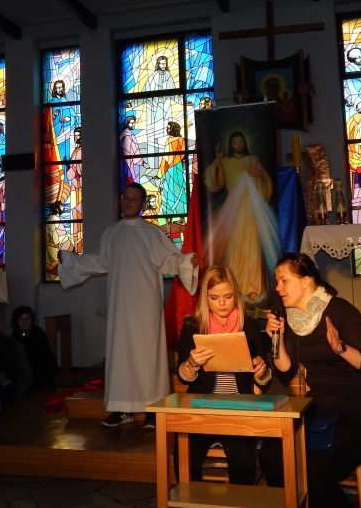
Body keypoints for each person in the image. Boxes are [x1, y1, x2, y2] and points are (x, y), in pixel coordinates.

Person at [59, 182, 198, 428]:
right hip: (120, 307)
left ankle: (154, 410)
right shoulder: (111, 233)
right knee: (121, 357)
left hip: (146, 308)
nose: (129, 201)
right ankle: (122, 409)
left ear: (142, 204)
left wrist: (187, 262)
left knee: (149, 357)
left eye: (135, 198)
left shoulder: (152, 233)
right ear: (121, 200)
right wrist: (70, 260)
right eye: (126, 197)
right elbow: (98, 261)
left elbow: (170, 260)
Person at [260, 253, 361, 507]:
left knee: (313, 474)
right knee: (271, 456)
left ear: (306, 280)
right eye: (277, 282)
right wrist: (276, 338)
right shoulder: (290, 317)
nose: (278, 287)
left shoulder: (341, 311)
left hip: (357, 414)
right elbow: (286, 372)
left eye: (284, 281)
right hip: (317, 411)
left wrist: (340, 348)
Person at [177, 266, 272, 484]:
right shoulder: (193, 326)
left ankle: (240, 498)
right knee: (185, 453)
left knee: (242, 457)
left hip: (239, 407)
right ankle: (190, 497)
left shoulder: (248, 325)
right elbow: (183, 377)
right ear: (205, 298)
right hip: (202, 407)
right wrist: (192, 363)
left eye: (228, 297)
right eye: (214, 298)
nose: (222, 303)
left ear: (236, 295)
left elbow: (265, 378)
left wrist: (262, 370)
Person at [202, 131, 279, 301]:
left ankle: (253, 287)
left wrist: (261, 175)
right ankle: (234, 286)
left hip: (251, 208)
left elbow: (265, 182)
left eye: (240, 141)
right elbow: (213, 182)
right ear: (231, 145)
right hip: (234, 208)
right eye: (235, 142)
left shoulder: (252, 160)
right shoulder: (225, 162)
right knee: (235, 247)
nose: (238, 145)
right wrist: (217, 159)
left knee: (252, 247)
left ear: (245, 143)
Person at [11, 306, 59, 388]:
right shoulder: (15, 334)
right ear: (17, 321)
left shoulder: (38, 332)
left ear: (31, 320)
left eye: (27, 318)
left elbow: (41, 357)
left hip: (40, 370)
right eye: (21, 319)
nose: (24, 321)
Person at [155, 121, 187, 215]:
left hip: (170, 169)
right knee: (179, 190)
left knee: (169, 190)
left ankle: (169, 215)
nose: (166, 129)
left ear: (173, 129)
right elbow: (182, 154)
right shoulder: (181, 139)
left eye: (168, 128)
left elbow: (166, 159)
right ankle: (181, 215)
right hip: (178, 167)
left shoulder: (170, 141)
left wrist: (159, 174)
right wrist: (177, 160)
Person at [119, 115, 145, 187]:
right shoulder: (127, 136)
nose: (133, 124)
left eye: (134, 123)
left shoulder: (127, 134)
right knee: (132, 184)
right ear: (127, 124)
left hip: (129, 164)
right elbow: (131, 152)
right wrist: (142, 162)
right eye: (131, 123)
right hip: (130, 165)